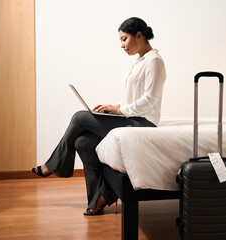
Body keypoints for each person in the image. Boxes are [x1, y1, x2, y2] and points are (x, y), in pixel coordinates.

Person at [32, 17, 166, 216]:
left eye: (124, 39)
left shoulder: (154, 61)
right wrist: (115, 106)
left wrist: (120, 111)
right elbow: (135, 98)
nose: (122, 45)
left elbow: (150, 100)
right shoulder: (139, 61)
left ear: (139, 35)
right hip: (132, 117)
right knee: (82, 142)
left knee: (79, 118)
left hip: (143, 123)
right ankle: (99, 199)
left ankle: (52, 165)